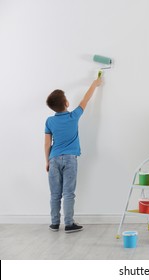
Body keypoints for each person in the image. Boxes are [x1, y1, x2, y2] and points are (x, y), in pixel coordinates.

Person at [44, 77, 102, 233]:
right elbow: (86, 99)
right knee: (68, 192)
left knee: (55, 193)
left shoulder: (49, 121)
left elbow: (47, 144)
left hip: (54, 159)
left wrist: (47, 160)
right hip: (70, 160)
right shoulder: (73, 116)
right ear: (67, 103)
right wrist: (95, 84)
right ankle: (69, 224)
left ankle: (55, 223)